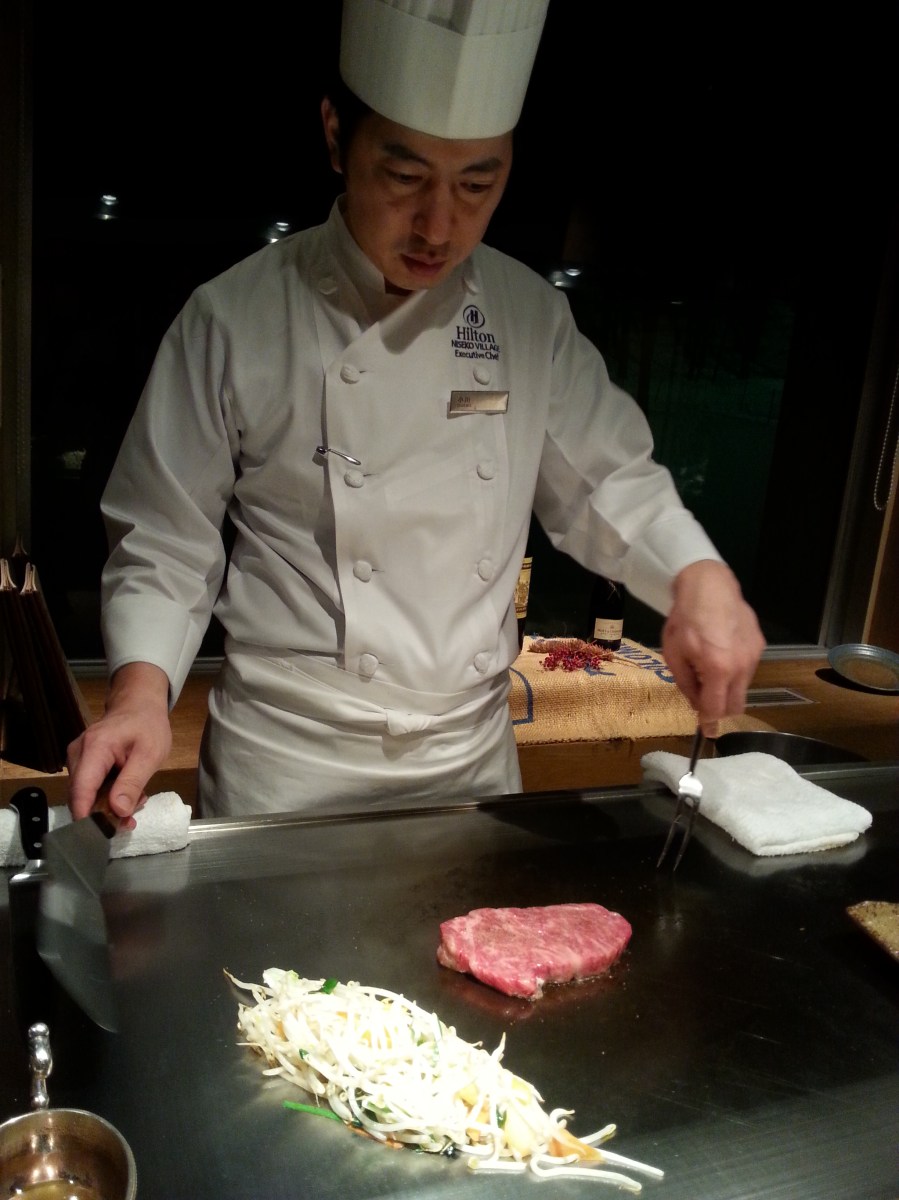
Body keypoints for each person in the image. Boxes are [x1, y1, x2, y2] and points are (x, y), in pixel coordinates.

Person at [67, 0, 764, 824]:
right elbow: (165, 538)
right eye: (404, 178)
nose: (439, 224)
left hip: (468, 760)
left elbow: (608, 483)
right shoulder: (231, 317)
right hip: (289, 764)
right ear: (336, 137)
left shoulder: (527, 315)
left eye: (477, 184)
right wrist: (140, 696)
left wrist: (698, 577)